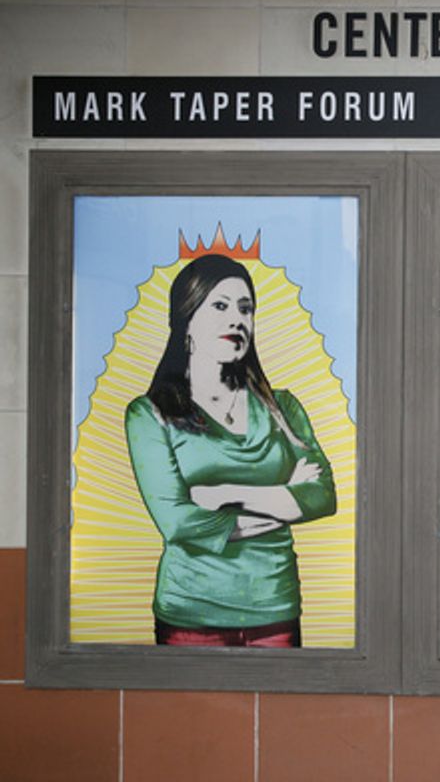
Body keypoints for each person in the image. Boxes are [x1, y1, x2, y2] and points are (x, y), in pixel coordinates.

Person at [125, 253, 336, 647]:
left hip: (275, 608)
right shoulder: (149, 415)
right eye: (220, 306)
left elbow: (322, 497)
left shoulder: (283, 408)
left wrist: (226, 495)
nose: (237, 319)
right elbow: (179, 523)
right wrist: (283, 504)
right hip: (190, 614)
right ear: (186, 321)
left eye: (246, 308)